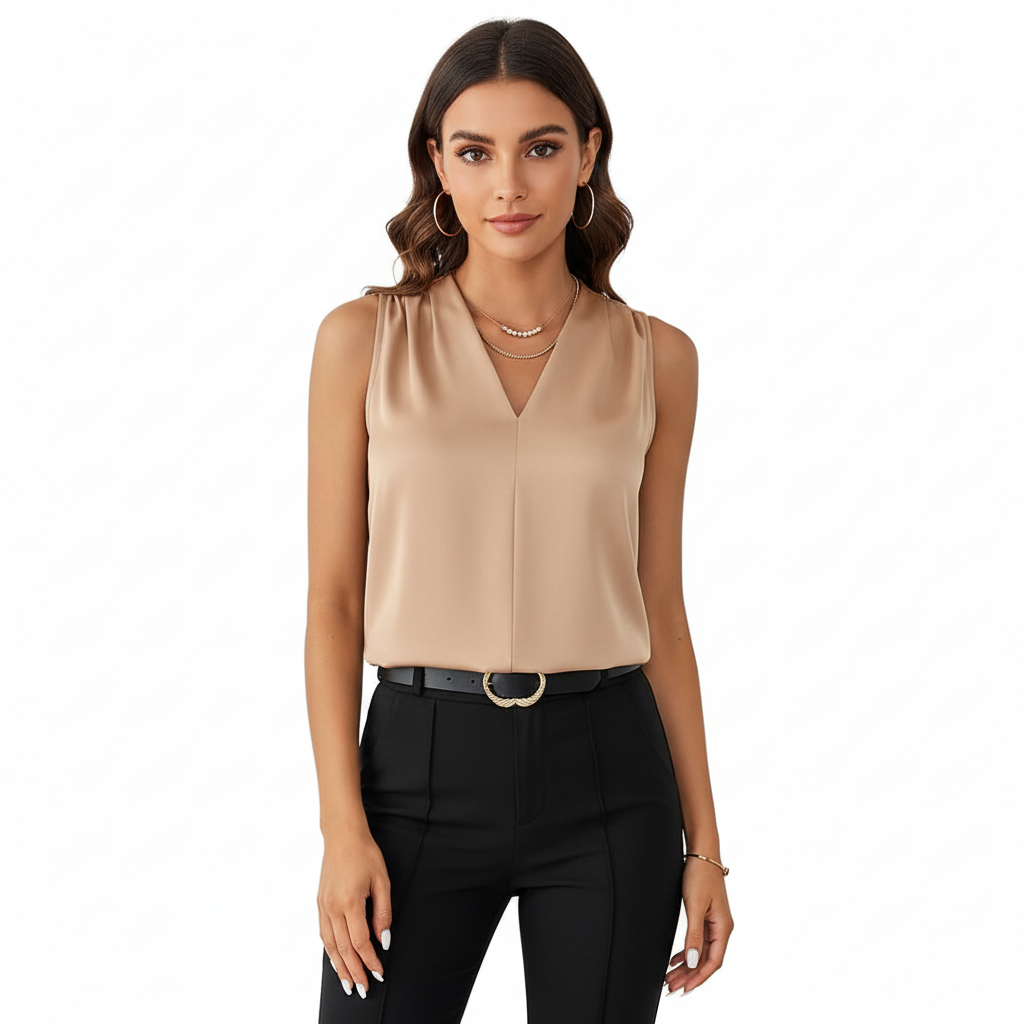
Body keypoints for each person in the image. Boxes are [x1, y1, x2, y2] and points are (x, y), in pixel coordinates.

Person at [305, 17, 733, 1023]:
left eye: (540, 148)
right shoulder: (362, 341)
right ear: (436, 164)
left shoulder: (659, 358)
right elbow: (331, 602)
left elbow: (663, 613)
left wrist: (706, 846)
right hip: (415, 769)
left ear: (587, 155)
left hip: (609, 777)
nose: (509, 185)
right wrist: (340, 827)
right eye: (475, 152)